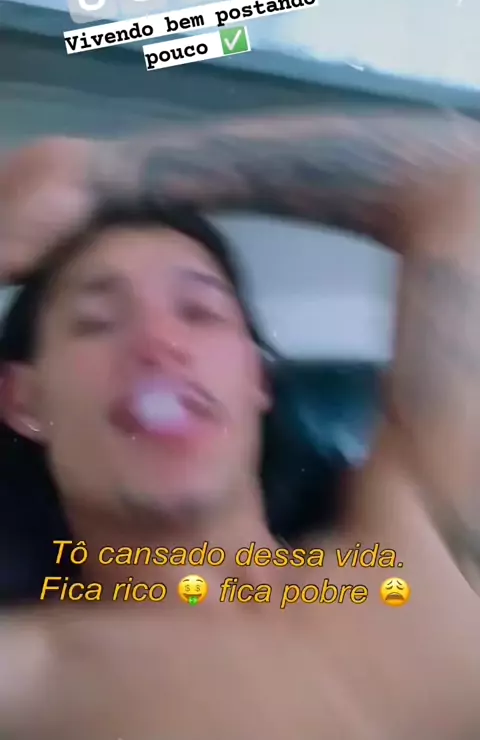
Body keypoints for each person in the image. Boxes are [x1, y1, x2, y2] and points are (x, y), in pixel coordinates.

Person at [1, 107, 480, 739]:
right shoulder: (27, 681)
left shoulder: (429, 543)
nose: (158, 345)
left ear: (258, 378)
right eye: (97, 322)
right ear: (24, 402)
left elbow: (461, 175)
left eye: (200, 311)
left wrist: (101, 174)